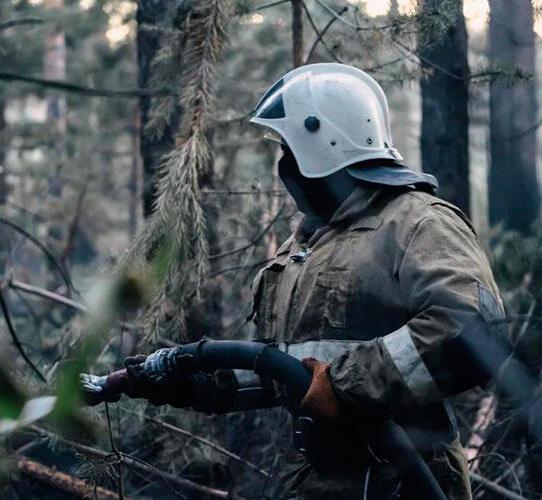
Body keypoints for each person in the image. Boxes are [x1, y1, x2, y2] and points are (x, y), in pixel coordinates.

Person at [84, 63, 506, 499]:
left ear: (322, 143)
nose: (284, 163)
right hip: (314, 480)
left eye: (289, 148)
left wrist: (344, 385)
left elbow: (471, 325)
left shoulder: (417, 222)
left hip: (402, 480)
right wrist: (198, 381)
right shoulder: (307, 244)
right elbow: (287, 364)